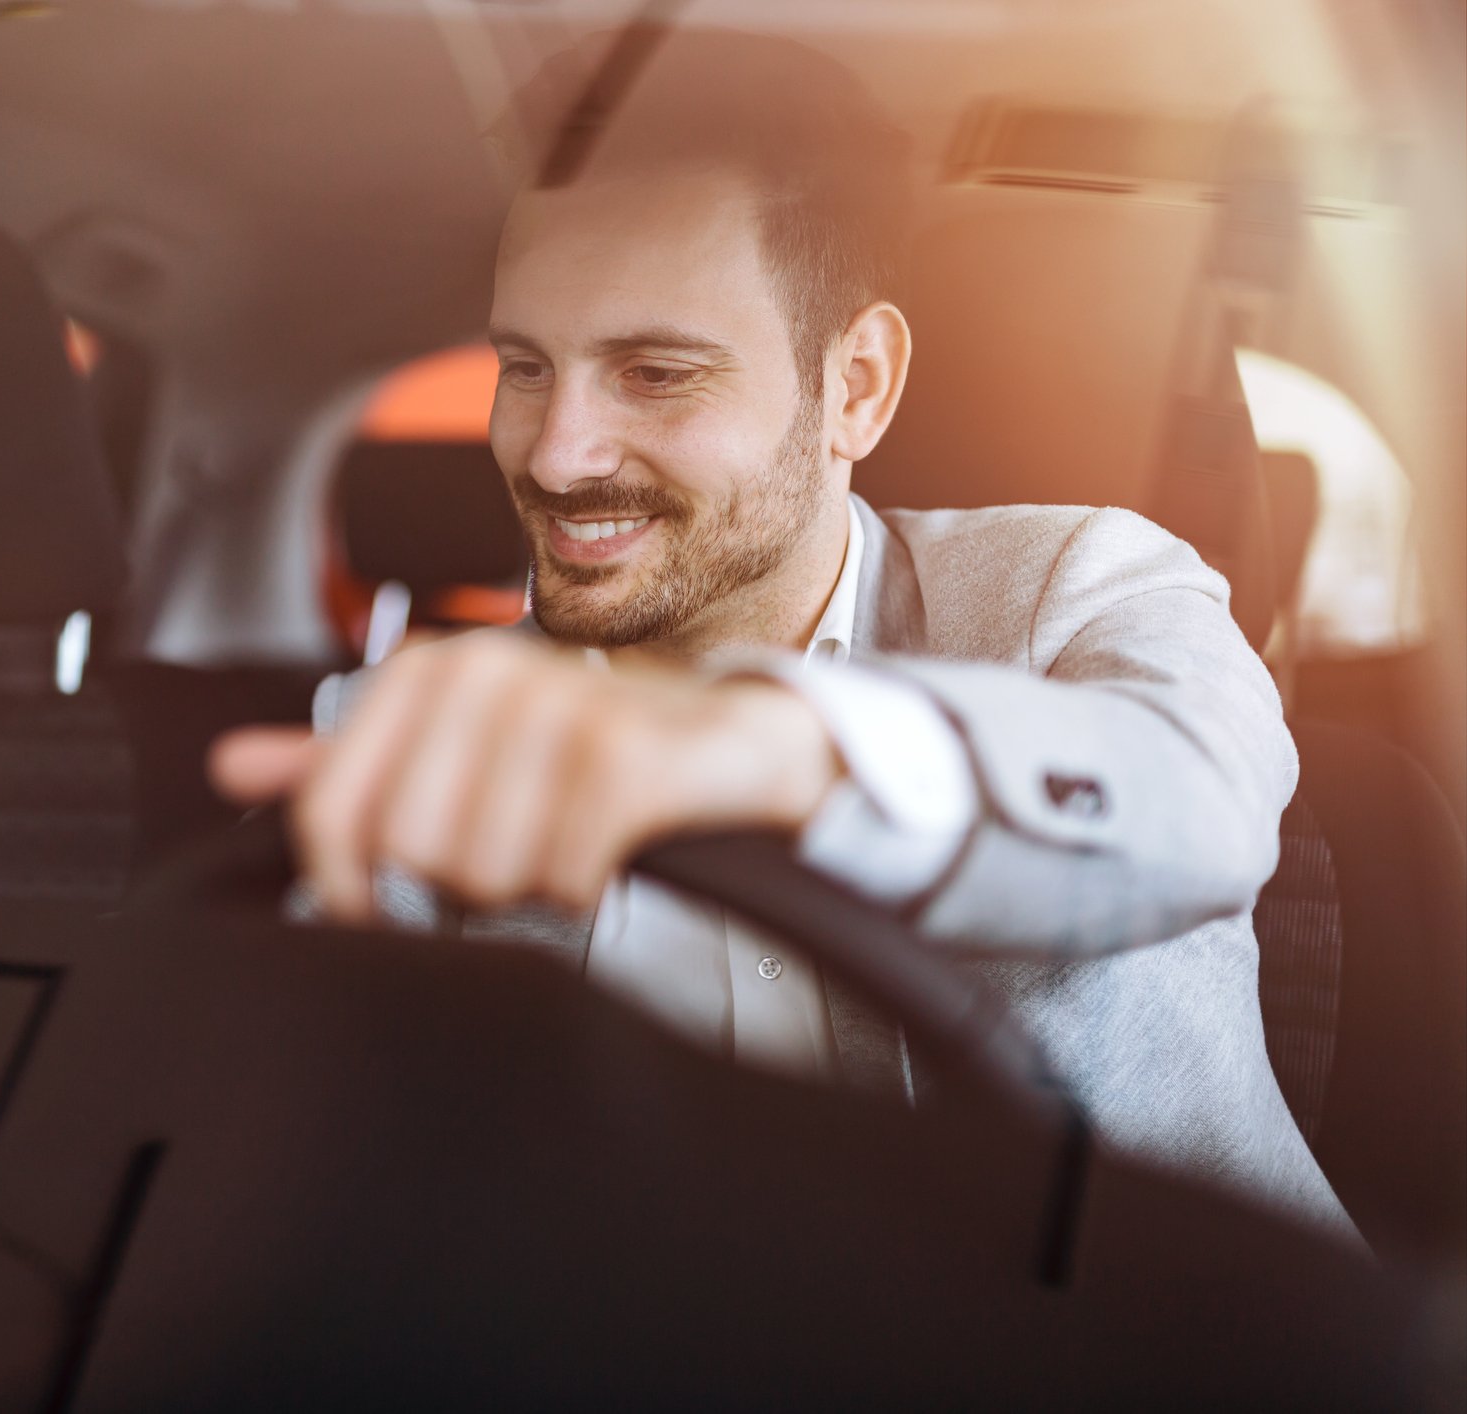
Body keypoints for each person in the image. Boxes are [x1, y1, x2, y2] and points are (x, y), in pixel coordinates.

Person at [211, 34, 1353, 1239]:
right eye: (525, 367)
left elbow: (1197, 806)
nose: (554, 453)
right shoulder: (414, 720)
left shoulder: (1078, 588)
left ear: (855, 385)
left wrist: (775, 747)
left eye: (655, 373)